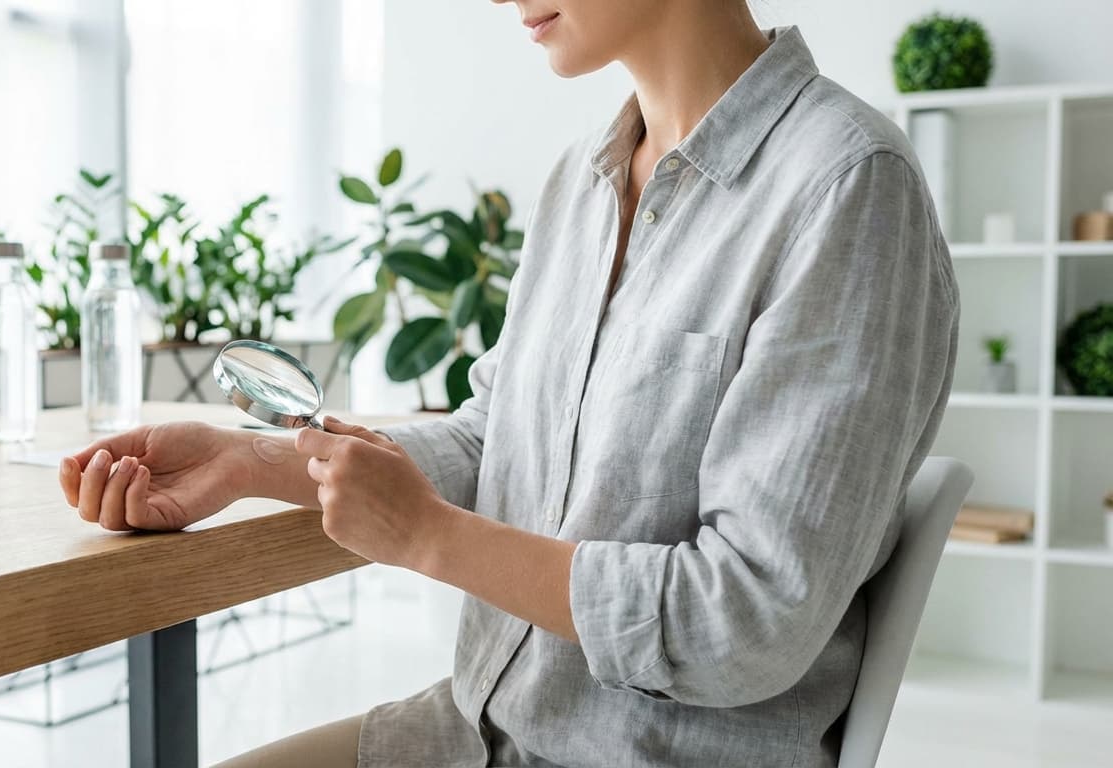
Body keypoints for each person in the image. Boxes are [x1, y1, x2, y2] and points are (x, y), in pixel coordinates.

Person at [58, 0, 959, 765]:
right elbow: (492, 440)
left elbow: (745, 621)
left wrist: (428, 538)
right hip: (480, 728)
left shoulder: (846, 188)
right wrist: (250, 462)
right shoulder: (582, 180)